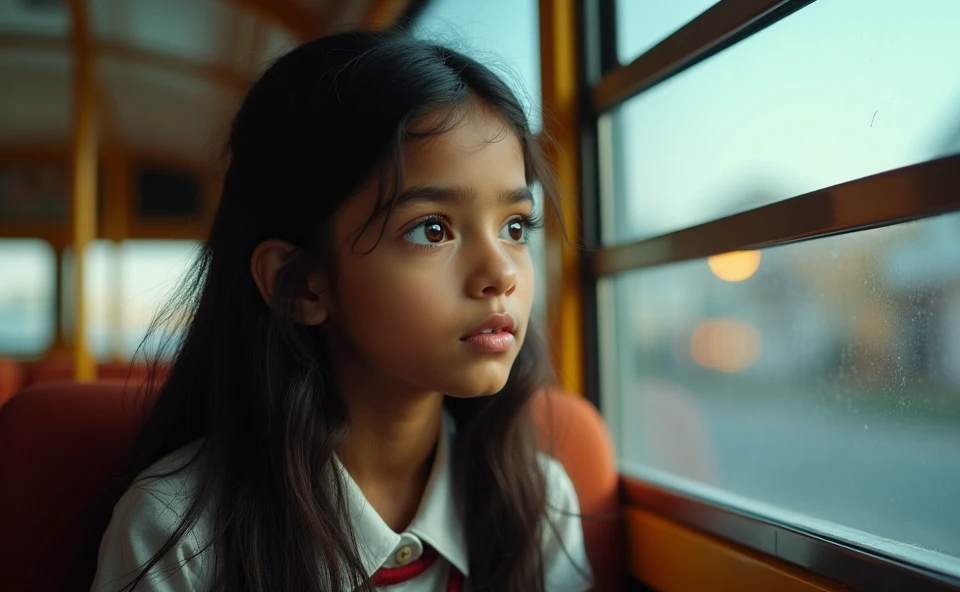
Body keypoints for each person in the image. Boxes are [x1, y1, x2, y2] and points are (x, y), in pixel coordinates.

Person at [90, 30, 593, 592]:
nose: (501, 273)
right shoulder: (179, 532)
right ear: (301, 283)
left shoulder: (537, 502)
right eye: (433, 229)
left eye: (515, 227)